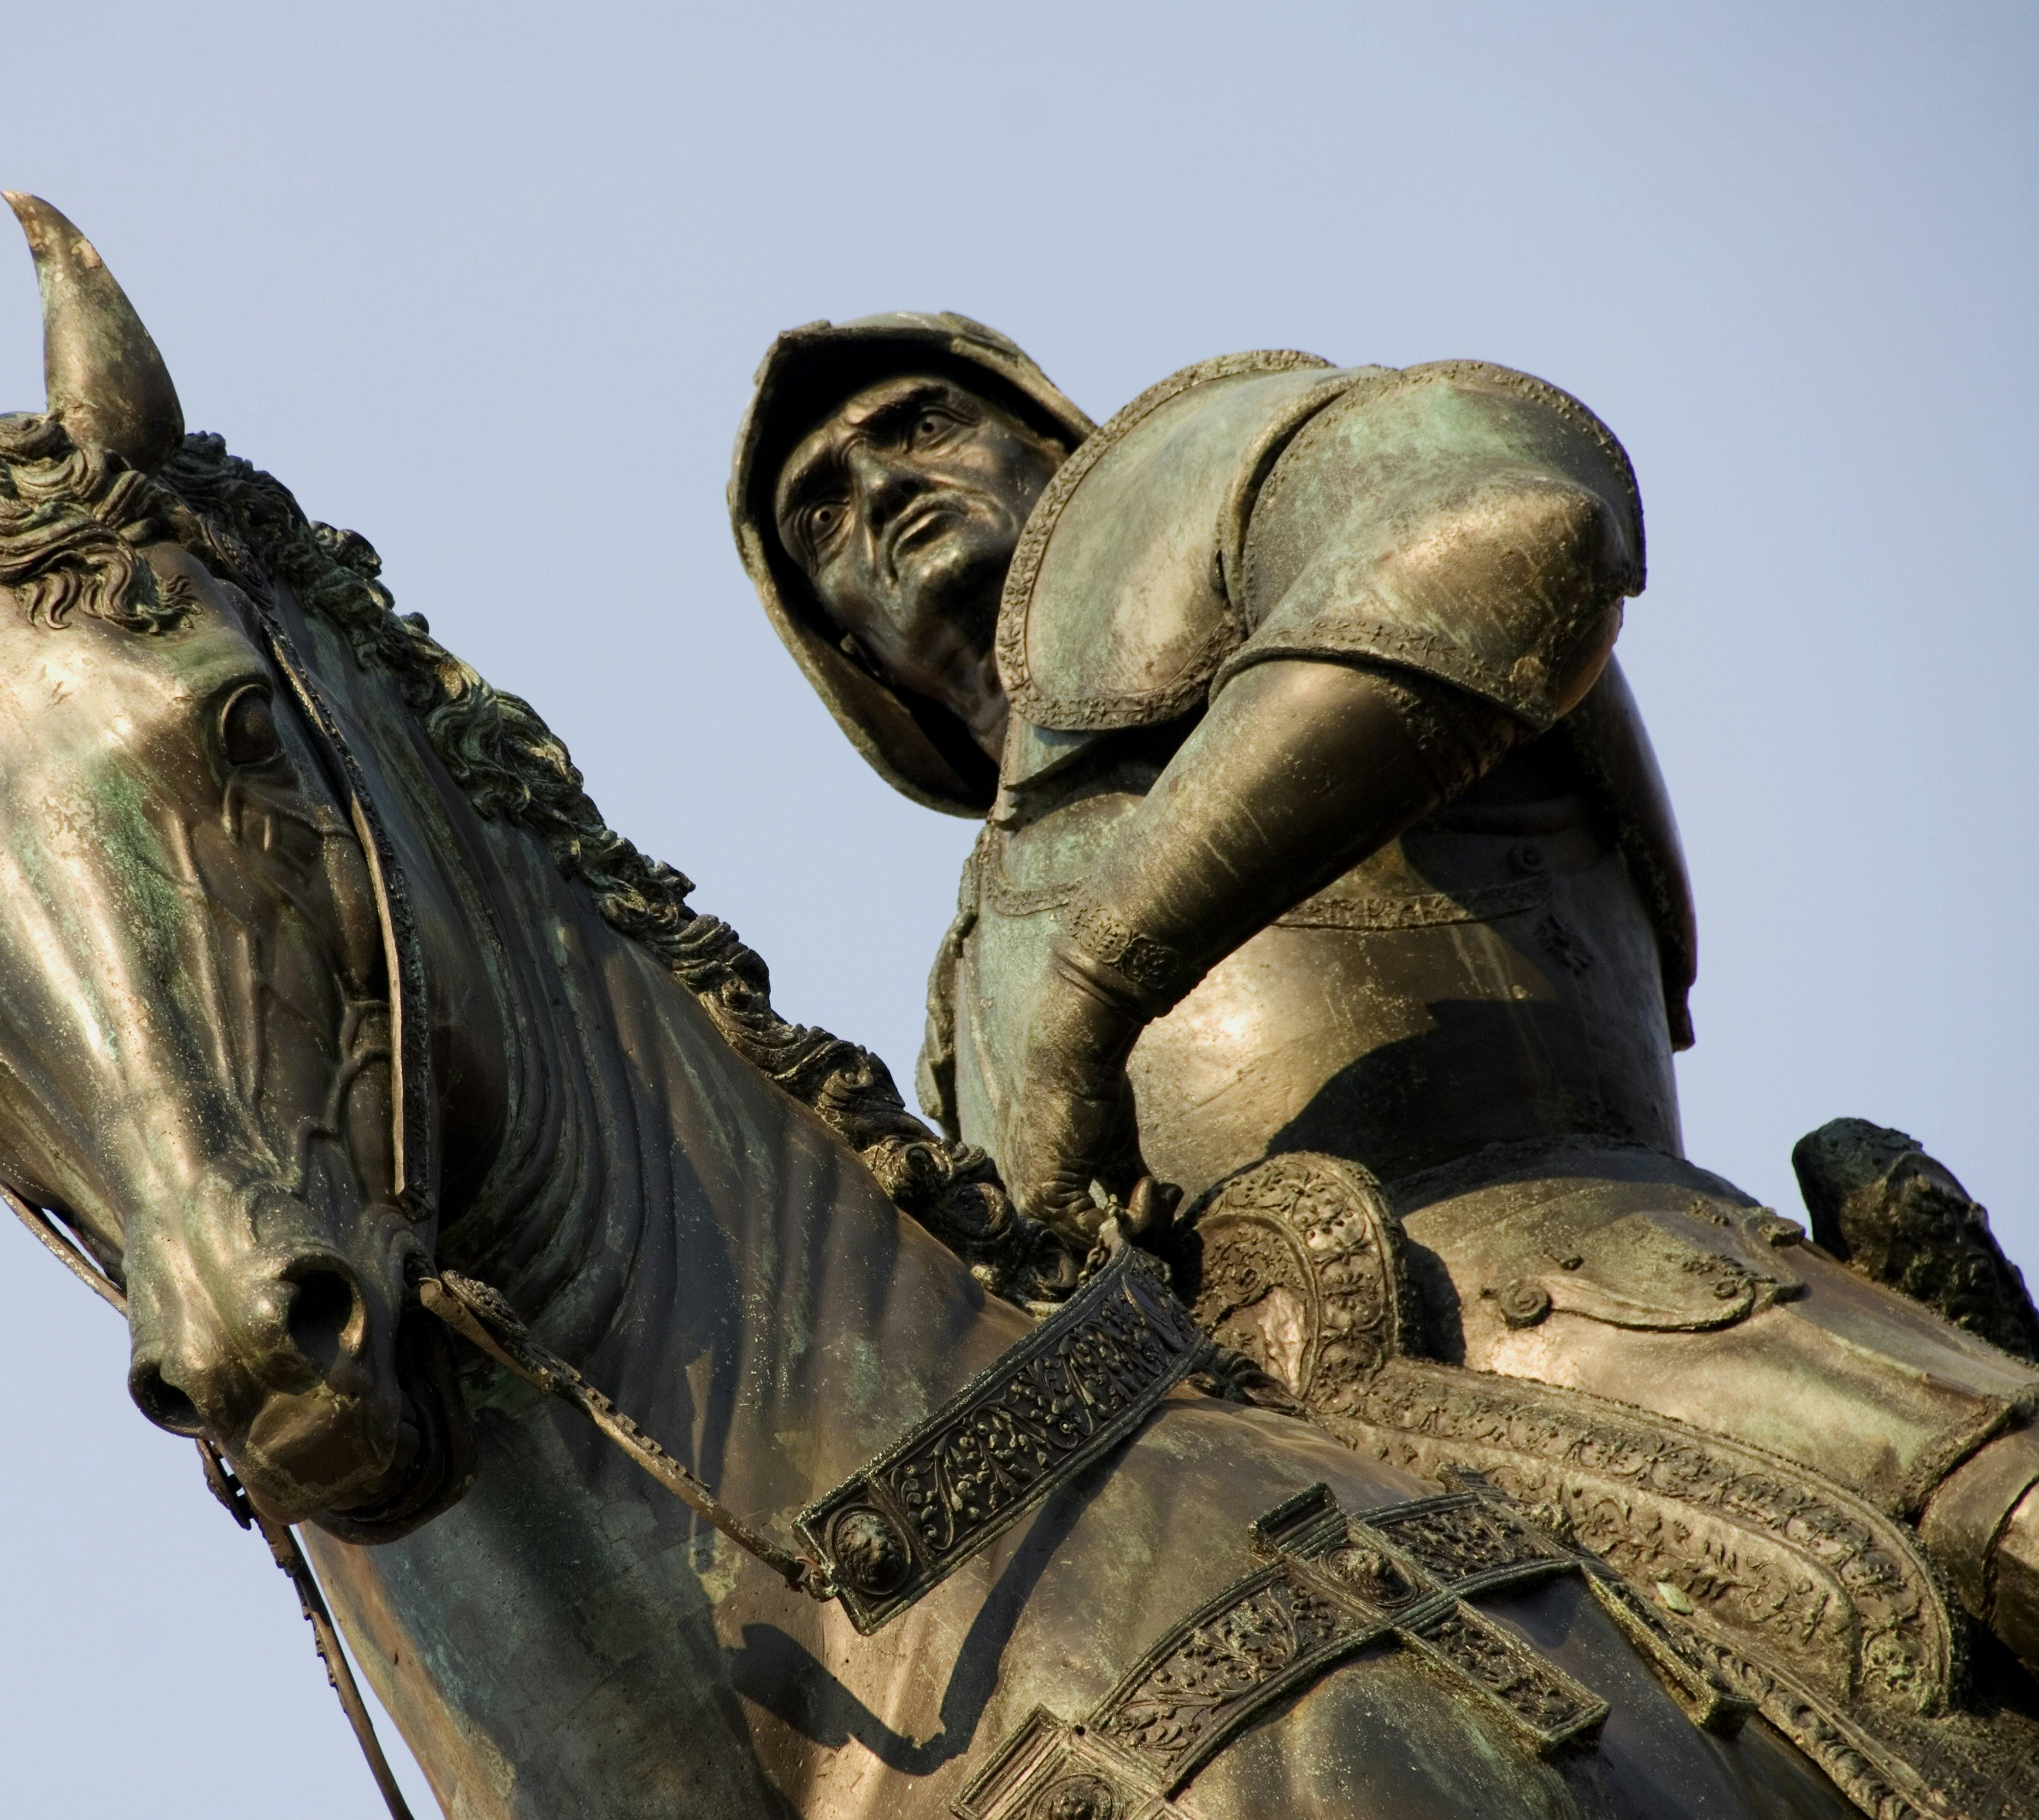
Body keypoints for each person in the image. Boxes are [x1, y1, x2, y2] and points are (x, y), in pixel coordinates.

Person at [729, 313, 2039, 1685]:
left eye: (921, 424)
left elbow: (1515, 520)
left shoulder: (1212, 483)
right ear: (851, 659)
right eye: (819, 513)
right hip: (1244, 1506)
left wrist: (1091, 985)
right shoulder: (960, 977)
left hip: (1584, 1300)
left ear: (1054, 445)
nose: (878, 492)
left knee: (1992, 1513)